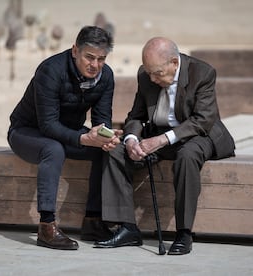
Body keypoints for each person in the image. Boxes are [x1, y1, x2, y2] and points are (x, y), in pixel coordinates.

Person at [94, 37, 235, 255]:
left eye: (157, 73)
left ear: (174, 63)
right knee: (115, 150)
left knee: (187, 156)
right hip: (158, 135)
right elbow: (136, 116)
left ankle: (184, 233)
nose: (152, 78)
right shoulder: (146, 75)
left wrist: (161, 140)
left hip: (198, 134)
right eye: (148, 72)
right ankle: (127, 227)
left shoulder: (202, 73)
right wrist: (131, 140)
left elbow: (203, 120)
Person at [7, 26, 122, 250]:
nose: (95, 65)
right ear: (74, 51)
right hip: (27, 132)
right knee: (54, 149)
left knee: (106, 148)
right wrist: (83, 139)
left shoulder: (105, 76)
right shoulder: (50, 70)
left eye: (101, 59)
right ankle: (47, 227)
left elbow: (101, 120)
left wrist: (105, 135)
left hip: (66, 133)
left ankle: (93, 220)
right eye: (89, 57)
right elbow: (48, 125)